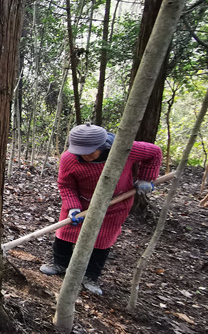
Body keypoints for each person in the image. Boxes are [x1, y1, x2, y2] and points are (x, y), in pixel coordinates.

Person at [40, 123, 162, 295]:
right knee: (66, 233)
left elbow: (154, 152)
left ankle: (91, 275)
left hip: (114, 205)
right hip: (81, 203)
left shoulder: (124, 149)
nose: (85, 156)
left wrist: (146, 178)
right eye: (80, 152)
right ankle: (60, 263)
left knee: (102, 239)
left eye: (89, 152)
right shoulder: (69, 158)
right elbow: (65, 185)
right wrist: (73, 207)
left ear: (102, 146)